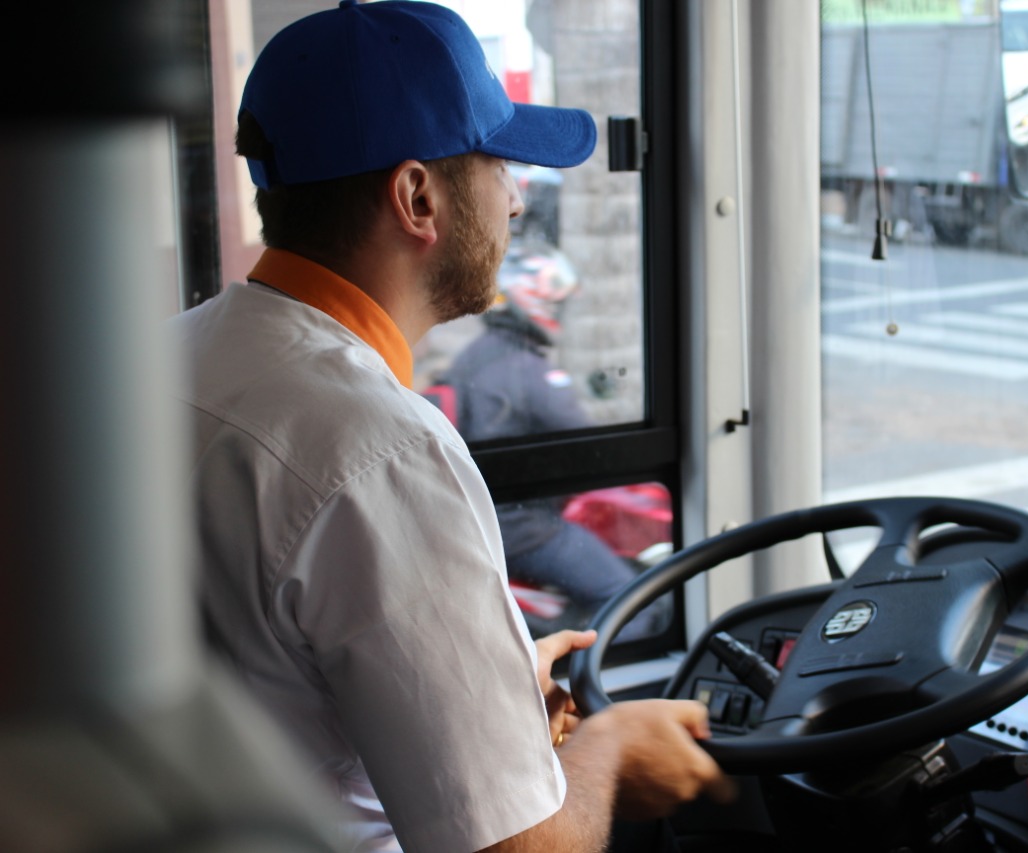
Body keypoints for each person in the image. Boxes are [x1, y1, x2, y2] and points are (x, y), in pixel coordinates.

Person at [167, 3, 730, 851]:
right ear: (417, 196)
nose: (511, 203)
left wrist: (487, 695)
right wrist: (611, 750)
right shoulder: (380, 452)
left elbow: (278, 686)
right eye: (498, 165)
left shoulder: (176, 353)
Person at [442, 243, 669, 641]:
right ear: (536, 300)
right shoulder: (530, 372)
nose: (562, 314)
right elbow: (585, 447)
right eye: (559, 304)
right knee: (631, 599)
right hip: (523, 526)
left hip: (486, 515)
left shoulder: (475, 357)